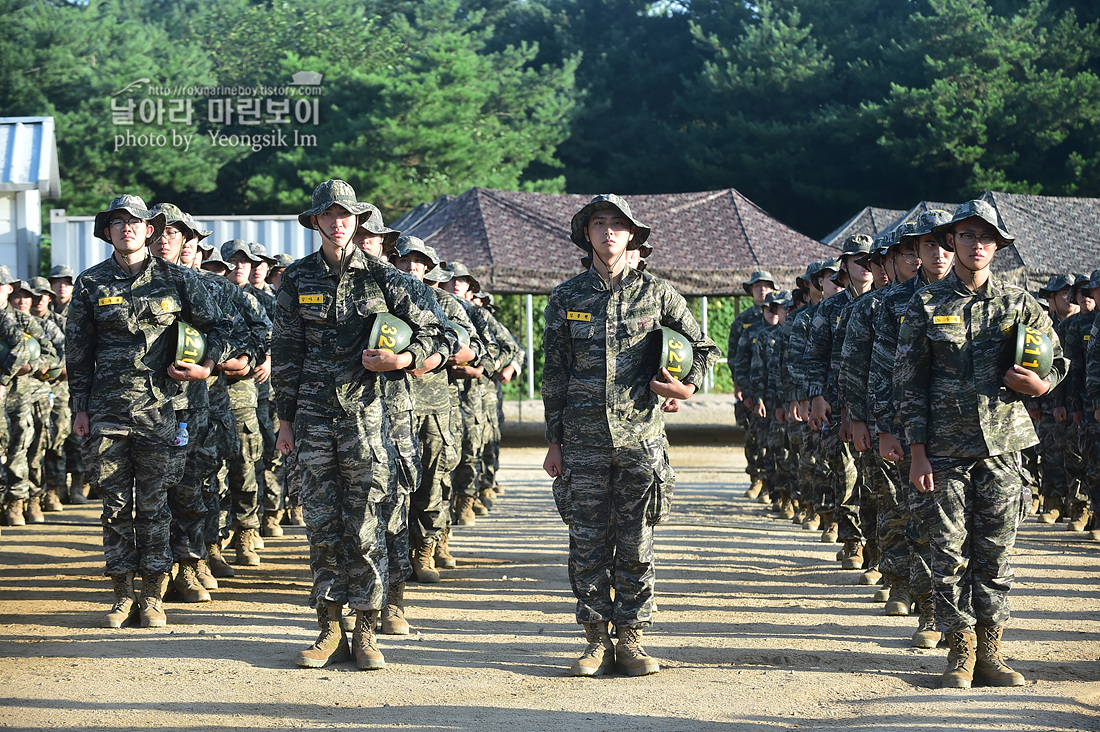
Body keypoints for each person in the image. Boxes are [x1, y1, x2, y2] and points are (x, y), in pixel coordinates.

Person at [272, 179, 446, 670]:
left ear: (358, 220)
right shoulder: (299, 278)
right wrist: (285, 420)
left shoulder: (385, 278)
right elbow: (285, 352)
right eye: (328, 214)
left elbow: (443, 331)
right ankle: (328, 628)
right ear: (316, 221)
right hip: (311, 419)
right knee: (322, 525)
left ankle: (367, 628)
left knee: (368, 524)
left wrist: (405, 358)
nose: (338, 221)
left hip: (370, 420)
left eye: (345, 214)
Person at [542, 194, 718, 677]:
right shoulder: (567, 297)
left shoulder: (658, 294)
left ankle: (633, 640)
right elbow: (554, 372)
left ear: (633, 236)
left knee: (636, 542)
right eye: (599, 224)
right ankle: (595, 640)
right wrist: (553, 441)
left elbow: (702, 348)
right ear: (587, 234)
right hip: (582, 440)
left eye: (618, 225)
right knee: (587, 542)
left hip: (640, 439)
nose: (609, 232)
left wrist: (685, 384)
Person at [894, 199, 1066, 689]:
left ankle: (991, 653)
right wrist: (918, 451)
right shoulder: (925, 305)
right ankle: (960, 655)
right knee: (947, 554)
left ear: (998, 246)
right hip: (944, 451)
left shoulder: (1019, 302)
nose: (976, 245)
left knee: (995, 554)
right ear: (953, 241)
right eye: (967, 235)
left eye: (986, 237)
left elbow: (1057, 361)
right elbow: (909, 383)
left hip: (1003, 446)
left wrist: (1041, 386)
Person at [67, 194, 233, 628]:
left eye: (136, 222)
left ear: (149, 230)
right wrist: (80, 407)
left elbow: (218, 328)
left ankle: (153, 595)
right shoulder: (90, 284)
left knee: (157, 505)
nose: (127, 228)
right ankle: (122, 594)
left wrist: (206, 366)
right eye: (118, 222)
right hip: (109, 412)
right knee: (116, 505)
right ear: (107, 231)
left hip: (164, 411)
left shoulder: (178, 279)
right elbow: (78, 352)